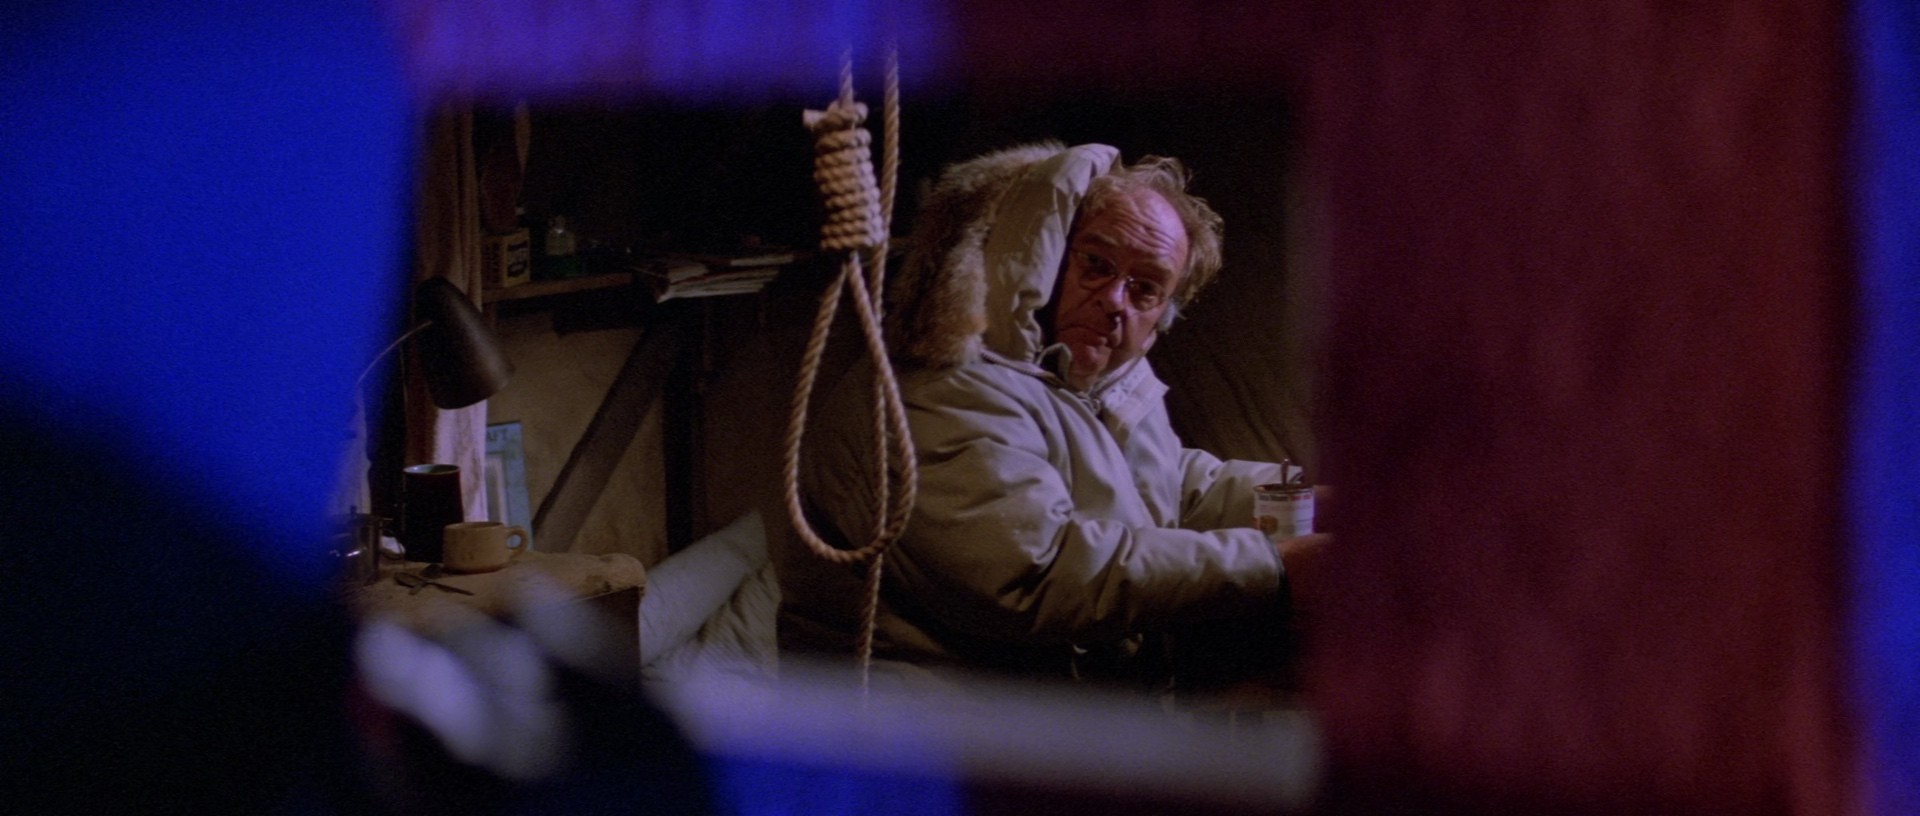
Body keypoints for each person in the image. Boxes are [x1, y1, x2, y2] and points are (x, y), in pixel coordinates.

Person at [776, 142, 1327, 689]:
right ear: (1039, 253)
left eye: (1145, 288)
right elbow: (1037, 572)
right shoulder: (942, 386)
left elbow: (1166, 486)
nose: (1115, 301)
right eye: (1096, 264)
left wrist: (1301, 498)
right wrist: (1274, 567)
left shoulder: (1091, 379)